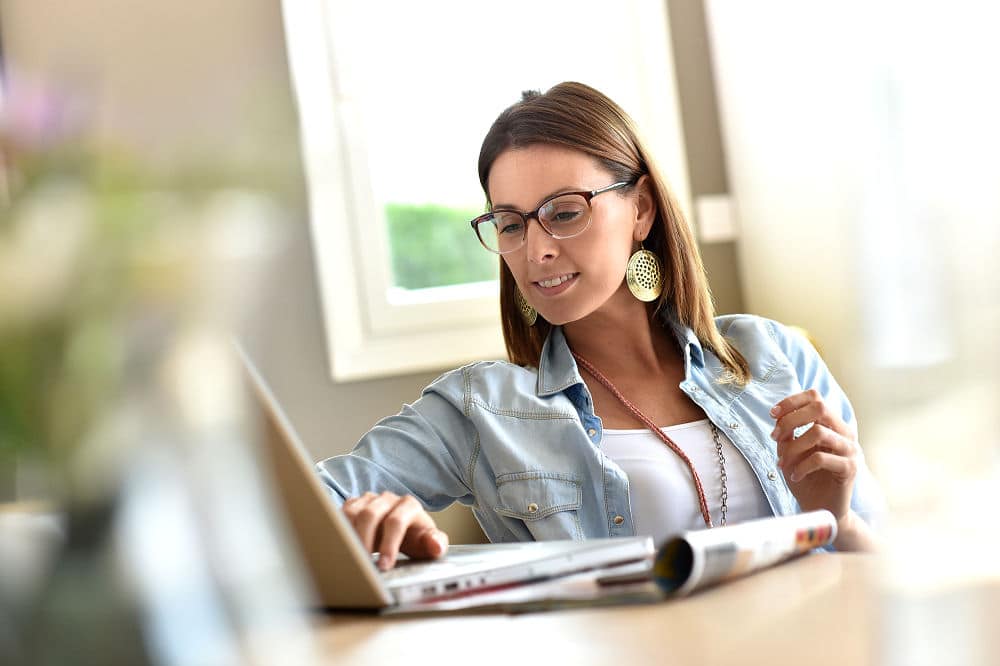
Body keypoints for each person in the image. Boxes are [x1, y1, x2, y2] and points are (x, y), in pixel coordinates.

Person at [317, 82, 885, 570]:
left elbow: (885, 568)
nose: (535, 250)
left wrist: (830, 519)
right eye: (511, 224)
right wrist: (372, 516)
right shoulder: (482, 409)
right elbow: (308, 506)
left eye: (564, 212)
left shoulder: (774, 355)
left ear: (641, 210)